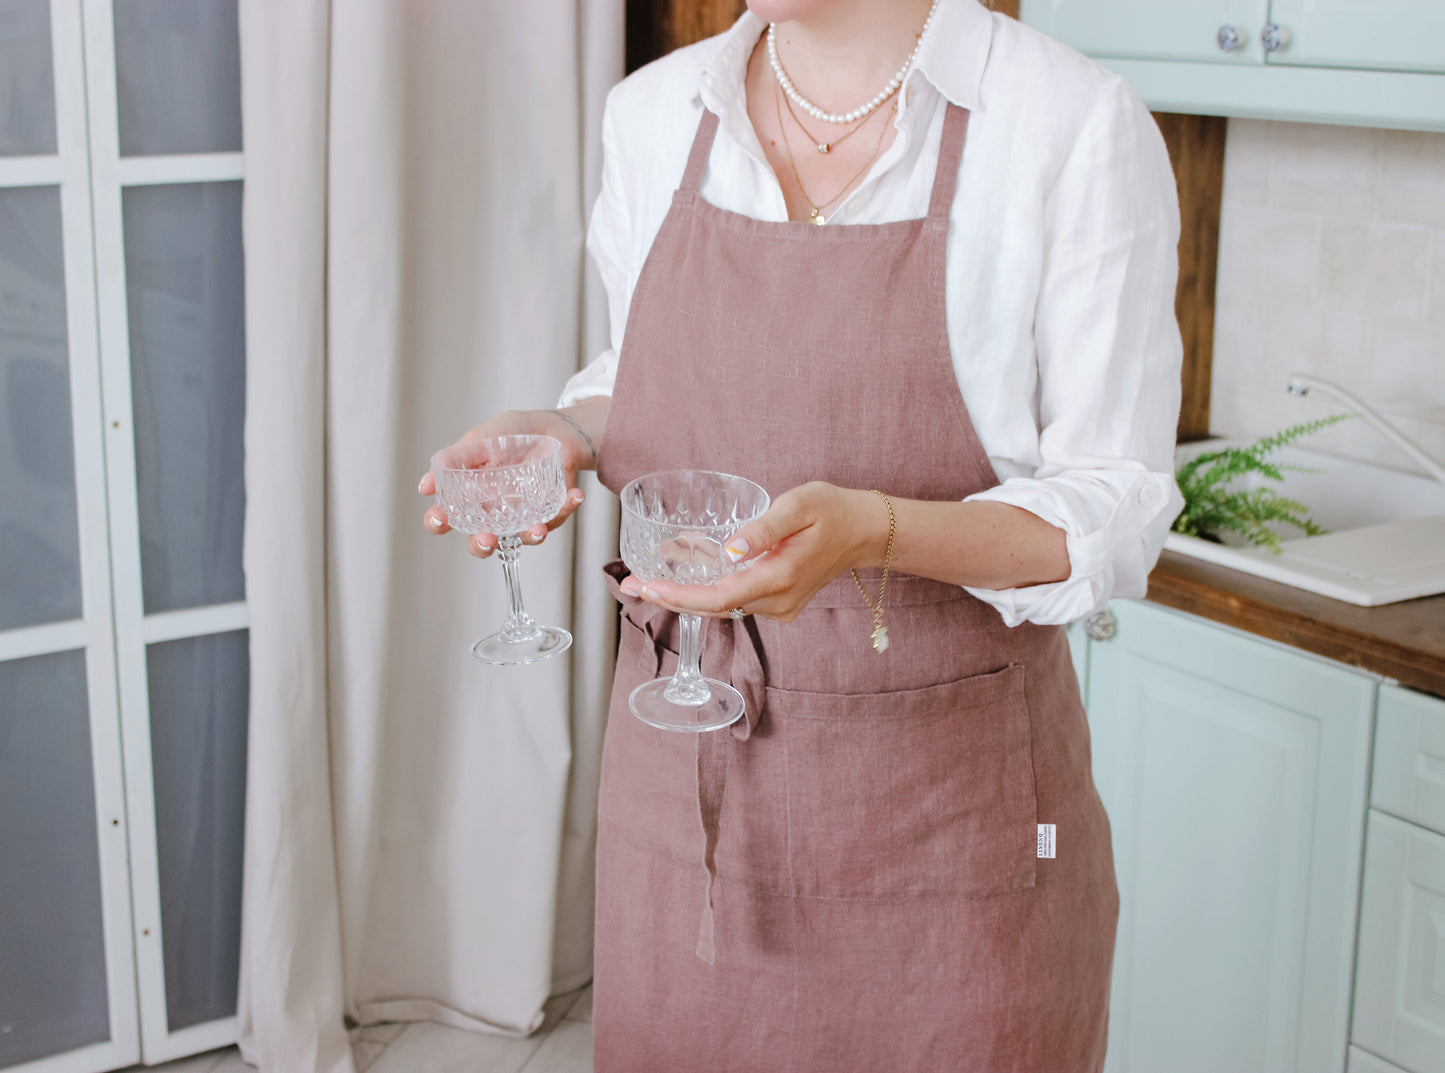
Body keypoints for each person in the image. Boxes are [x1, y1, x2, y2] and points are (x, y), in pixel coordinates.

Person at [419, 0, 1183, 1068]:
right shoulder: (651, 115)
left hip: (949, 838)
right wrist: (563, 434)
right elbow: (636, 381)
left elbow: (1112, 509)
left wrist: (870, 531)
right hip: (684, 811)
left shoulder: (1068, 123)